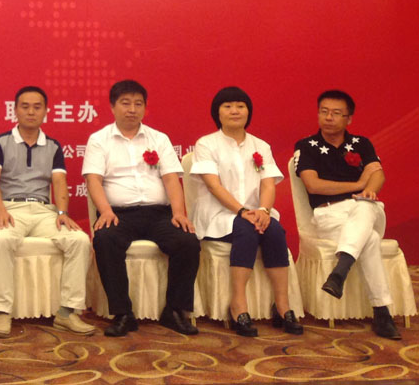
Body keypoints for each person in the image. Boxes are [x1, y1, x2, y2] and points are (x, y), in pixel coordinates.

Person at [82, 80, 199, 337]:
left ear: (145, 108)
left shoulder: (159, 138)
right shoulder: (99, 140)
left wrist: (179, 213)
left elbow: (171, 179)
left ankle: (175, 311)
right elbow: (94, 180)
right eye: (125, 103)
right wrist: (105, 211)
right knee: (105, 239)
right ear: (112, 107)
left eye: (138, 104)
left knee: (187, 241)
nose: (132, 109)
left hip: (158, 213)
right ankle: (123, 314)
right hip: (118, 214)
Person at [0, 86, 95, 338]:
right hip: (11, 209)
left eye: (37, 107)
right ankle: (1, 311)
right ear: (15, 110)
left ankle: (67, 312)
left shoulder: (53, 146)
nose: (31, 112)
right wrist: (0, 210)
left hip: (44, 211)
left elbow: (59, 182)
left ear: (45, 111)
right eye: (25, 106)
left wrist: (62, 212)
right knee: (2, 239)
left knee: (79, 240)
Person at [190, 87, 302, 337]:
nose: (235, 111)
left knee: (275, 230)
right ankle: (238, 305)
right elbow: (213, 185)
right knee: (245, 229)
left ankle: (282, 306)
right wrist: (241, 211)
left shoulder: (260, 145)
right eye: (228, 106)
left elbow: (268, 184)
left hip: (255, 214)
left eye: (240, 106)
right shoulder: (206, 144)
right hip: (218, 214)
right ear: (217, 113)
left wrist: (263, 210)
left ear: (248, 112)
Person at [295, 90, 401, 339]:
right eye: (324, 112)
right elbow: (313, 185)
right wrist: (359, 185)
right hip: (330, 214)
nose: (328, 117)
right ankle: (382, 312)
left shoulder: (362, 144)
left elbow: (378, 174)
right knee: (369, 239)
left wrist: (369, 190)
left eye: (336, 113)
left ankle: (341, 270)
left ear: (349, 118)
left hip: (366, 211)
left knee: (365, 205)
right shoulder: (307, 146)